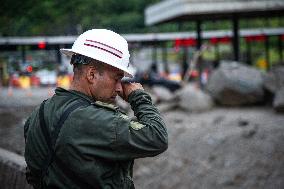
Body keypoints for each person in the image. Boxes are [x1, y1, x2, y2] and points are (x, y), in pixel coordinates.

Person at [24, 29, 168, 189]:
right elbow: (157, 137)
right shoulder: (100, 120)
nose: (120, 87)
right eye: (117, 78)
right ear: (91, 74)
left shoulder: (39, 113)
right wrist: (138, 97)